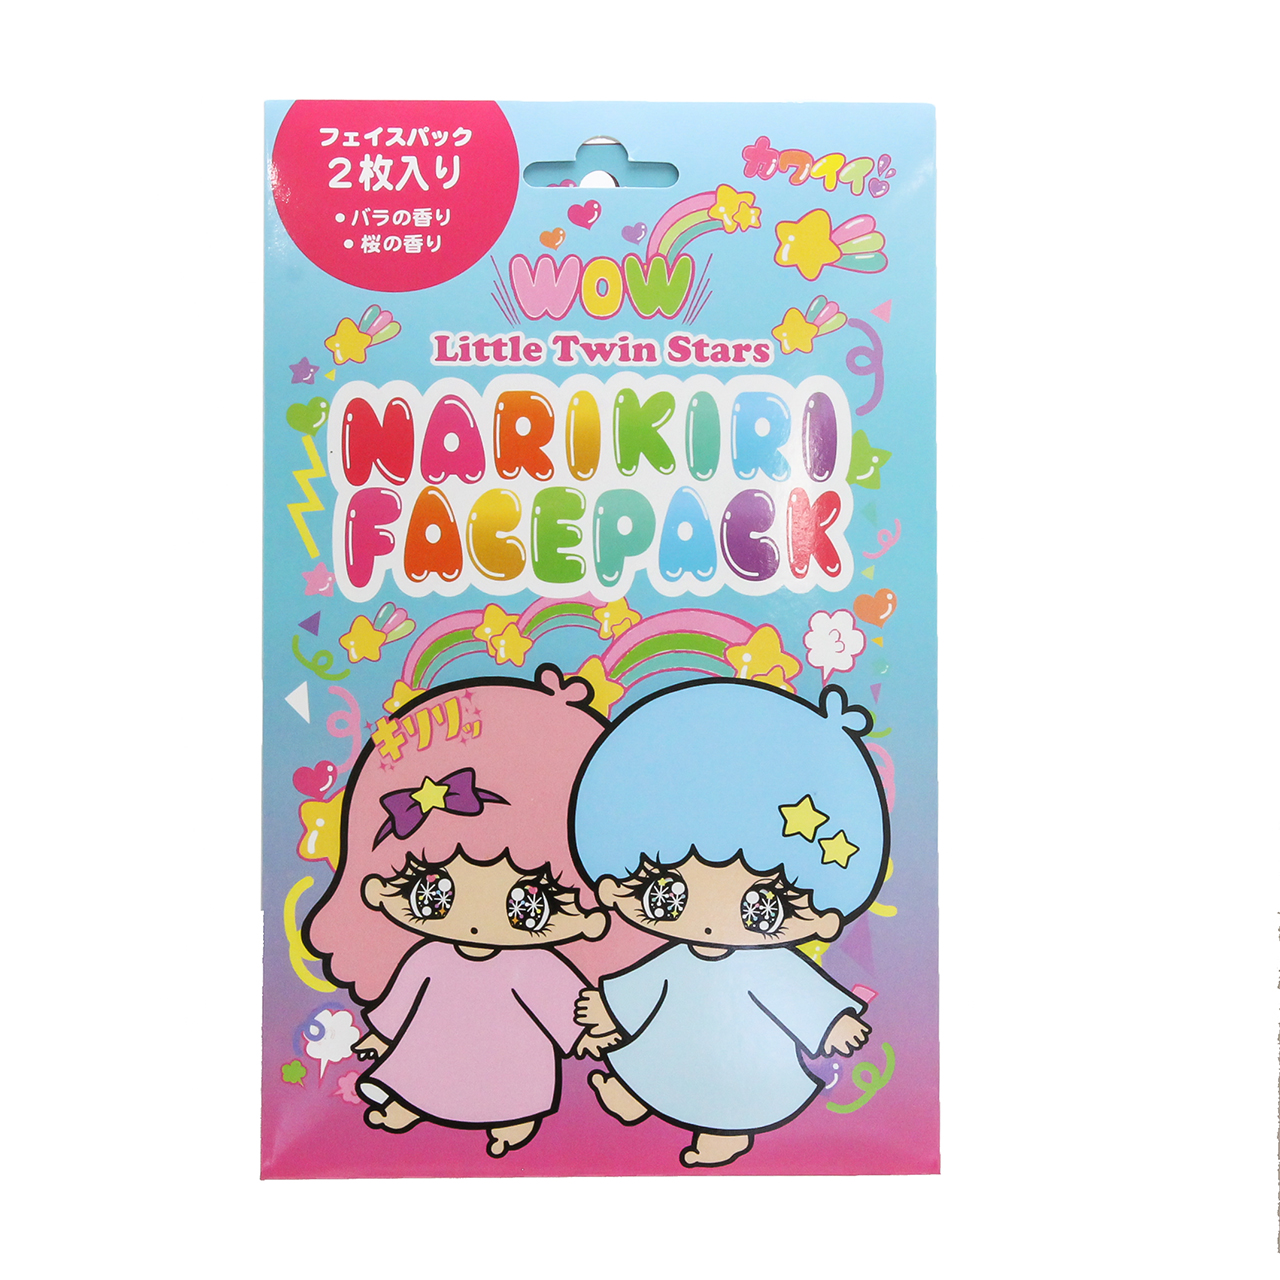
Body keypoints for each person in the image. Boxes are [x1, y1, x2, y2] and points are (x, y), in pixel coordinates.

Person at [570, 677, 890, 1167]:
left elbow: (802, 992)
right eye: (666, 893)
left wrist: (832, 1023)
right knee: (651, 1060)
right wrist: (610, 1009)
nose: (709, 921)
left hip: (748, 1071)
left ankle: (725, 1134)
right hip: (677, 1045)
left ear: (824, 914)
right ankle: (637, 1095)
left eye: (762, 906)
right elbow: (644, 987)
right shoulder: (675, 958)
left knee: (735, 1099)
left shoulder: (769, 964)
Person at [304, 666, 615, 1158]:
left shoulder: (536, 963)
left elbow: (564, 1006)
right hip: (434, 1048)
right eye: (433, 891)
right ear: (379, 885)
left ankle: (516, 1118)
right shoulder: (427, 957)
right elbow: (402, 1003)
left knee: (517, 1085)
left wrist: (586, 1032)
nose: (475, 919)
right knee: (418, 1065)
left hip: (513, 1060)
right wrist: (382, 1037)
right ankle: (412, 1102)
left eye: (529, 902)